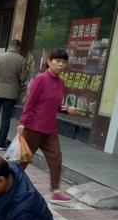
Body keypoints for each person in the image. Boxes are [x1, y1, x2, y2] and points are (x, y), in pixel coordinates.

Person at [18, 48, 82, 202]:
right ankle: (9, 185)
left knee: (56, 159)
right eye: (58, 61)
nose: (61, 64)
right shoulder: (40, 79)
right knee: (22, 161)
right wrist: (23, 123)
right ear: (49, 62)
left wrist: (67, 110)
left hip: (50, 130)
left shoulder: (60, 83)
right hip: (33, 128)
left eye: (64, 62)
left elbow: (55, 105)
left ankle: (56, 190)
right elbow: (30, 103)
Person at [0, 39, 28, 150]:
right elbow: (23, 79)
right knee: (5, 119)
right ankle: (0, 144)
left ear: (9, 46)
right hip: (11, 94)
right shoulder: (22, 60)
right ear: (18, 48)